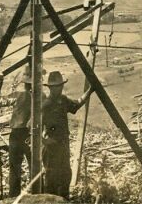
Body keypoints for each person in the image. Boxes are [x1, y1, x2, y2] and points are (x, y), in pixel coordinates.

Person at [0, 67, 43, 197]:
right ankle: (37, 194)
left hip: (16, 135)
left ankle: (14, 196)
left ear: (25, 83)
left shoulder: (19, 95)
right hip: (32, 135)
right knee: (35, 166)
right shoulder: (41, 97)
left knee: (15, 168)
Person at [41, 71, 93, 199]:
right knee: (51, 177)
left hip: (63, 144)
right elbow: (31, 125)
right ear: (50, 88)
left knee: (65, 174)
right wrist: (44, 141)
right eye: (55, 86)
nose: (58, 88)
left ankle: (64, 200)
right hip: (51, 147)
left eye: (60, 86)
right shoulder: (45, 105)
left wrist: (90, 91)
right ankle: (50, 201)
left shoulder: (63, 100)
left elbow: (77, 104)